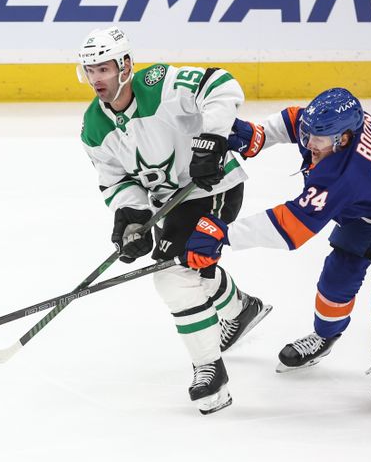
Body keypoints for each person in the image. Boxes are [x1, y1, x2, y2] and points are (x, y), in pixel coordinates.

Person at [180, 87, 371, 404]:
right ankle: (324, 336)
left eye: (320, 138)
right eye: (309, 134)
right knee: (339, 271)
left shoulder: (344, 176)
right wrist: (258, 134)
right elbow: (294, 120)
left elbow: (291, 226)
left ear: (344, 139)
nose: (309, 144)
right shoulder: (332, 128)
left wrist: (224, 234)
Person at [77, 27, 272, 415]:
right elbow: (115, 179)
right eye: (90, 70)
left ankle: (210, 373)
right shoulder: (93, 127)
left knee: (172, 274)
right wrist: (132, 220)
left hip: (215, 187)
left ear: (125, 66)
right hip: (175, 204)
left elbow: (221, 84)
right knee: (187, 265)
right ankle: (240, 309)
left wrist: (212, 139)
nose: (97, 78)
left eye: (104, 68)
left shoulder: (159, 83)